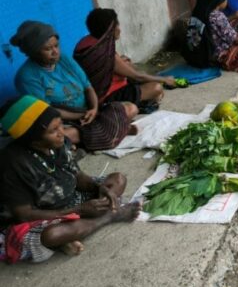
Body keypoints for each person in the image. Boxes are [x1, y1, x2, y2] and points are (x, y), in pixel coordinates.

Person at [0, 96, 140, 263]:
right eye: (53, 130)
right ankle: (108, 217)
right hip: (43, 214)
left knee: (118, 179)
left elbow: (77, 176)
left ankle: (77, 231)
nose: (61, 132)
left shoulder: (58, 143)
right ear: (34, 139)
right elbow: (24, 214)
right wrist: (79, 210)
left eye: (61, 125)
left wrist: (98, 187)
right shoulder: (12, 164)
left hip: (71, 199)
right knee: (53, 235)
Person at [12, 21, 137, 151]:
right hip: (65, 122)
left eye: (56, 46)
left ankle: (105, 132)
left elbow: (87, 87)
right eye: (48, 49)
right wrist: (84, 116)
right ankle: (115, 129)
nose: (55, 52)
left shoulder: (63, 59)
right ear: (33, 52)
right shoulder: (27, 77)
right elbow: (48, 111)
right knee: (58, 135)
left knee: (131, 108)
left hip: (89, 112)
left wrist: (94, 109)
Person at [74, 8, 176, 113]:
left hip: (93, 96)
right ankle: (136, 104)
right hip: (107, 97)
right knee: (156, 88)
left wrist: (120, 62)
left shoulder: (86, 43)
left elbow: (102, 67)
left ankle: (141, 100)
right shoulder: (105, 53)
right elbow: (138, 76)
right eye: (117, 25)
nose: (119, 29)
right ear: (110, 29)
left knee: (129, 65)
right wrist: (164, 79)